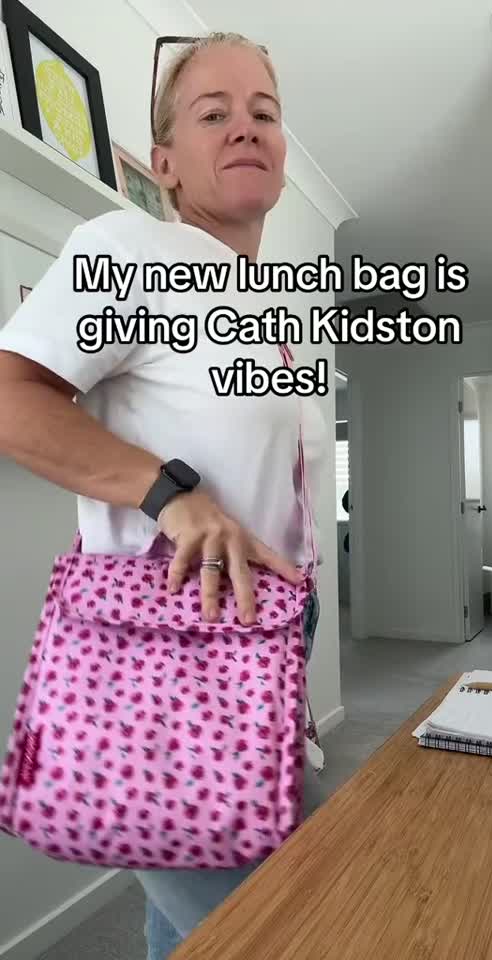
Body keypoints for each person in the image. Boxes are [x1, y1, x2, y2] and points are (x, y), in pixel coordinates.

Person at [0, 31, 327, 959]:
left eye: (263, 113)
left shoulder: (268, 308)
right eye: (213, 113)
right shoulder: (129, 247)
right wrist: (168, 496)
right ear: (166, 162)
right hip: (170, 665)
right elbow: (11, 397)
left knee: (177, 934)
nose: (246, 128)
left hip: (262, 647)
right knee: (283, 929)